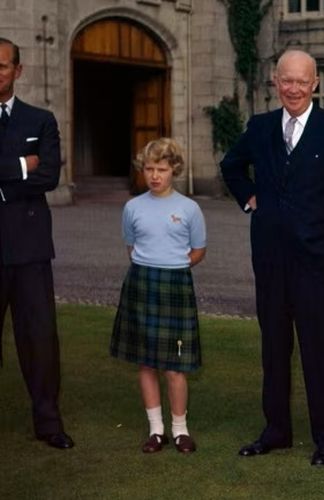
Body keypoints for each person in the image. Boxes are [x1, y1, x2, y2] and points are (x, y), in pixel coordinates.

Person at [220, 49, 324, 466]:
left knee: (321, 350)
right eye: (287, 80)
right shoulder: (261, 127)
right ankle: (276, 431)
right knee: (274, 348)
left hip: (318, 261)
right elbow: (232, 166)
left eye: (302, 81)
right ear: (275, 82)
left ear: (315, 83)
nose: (294, 89)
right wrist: (250, 200)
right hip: (270, 259)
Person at [0, 37, 74, 450]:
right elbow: (31, 172)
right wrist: (18, 167)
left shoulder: (40, 119)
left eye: (3, 66)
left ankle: (48, 423)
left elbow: (50, 176)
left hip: (30, 249)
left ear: (18, 70)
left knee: (40, 340)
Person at [110, 138, 206, 454]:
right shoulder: (132, 207)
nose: (154, 176)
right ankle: (156, 431)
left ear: (173, 170)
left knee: (175, 366)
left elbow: (198, 250)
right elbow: (131, 246)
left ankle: (180, 430)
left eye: (161, 169)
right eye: (149, 168)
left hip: (175, 285)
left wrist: (174, 265)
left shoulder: (190, 208)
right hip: (141, 283)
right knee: (146, 362)